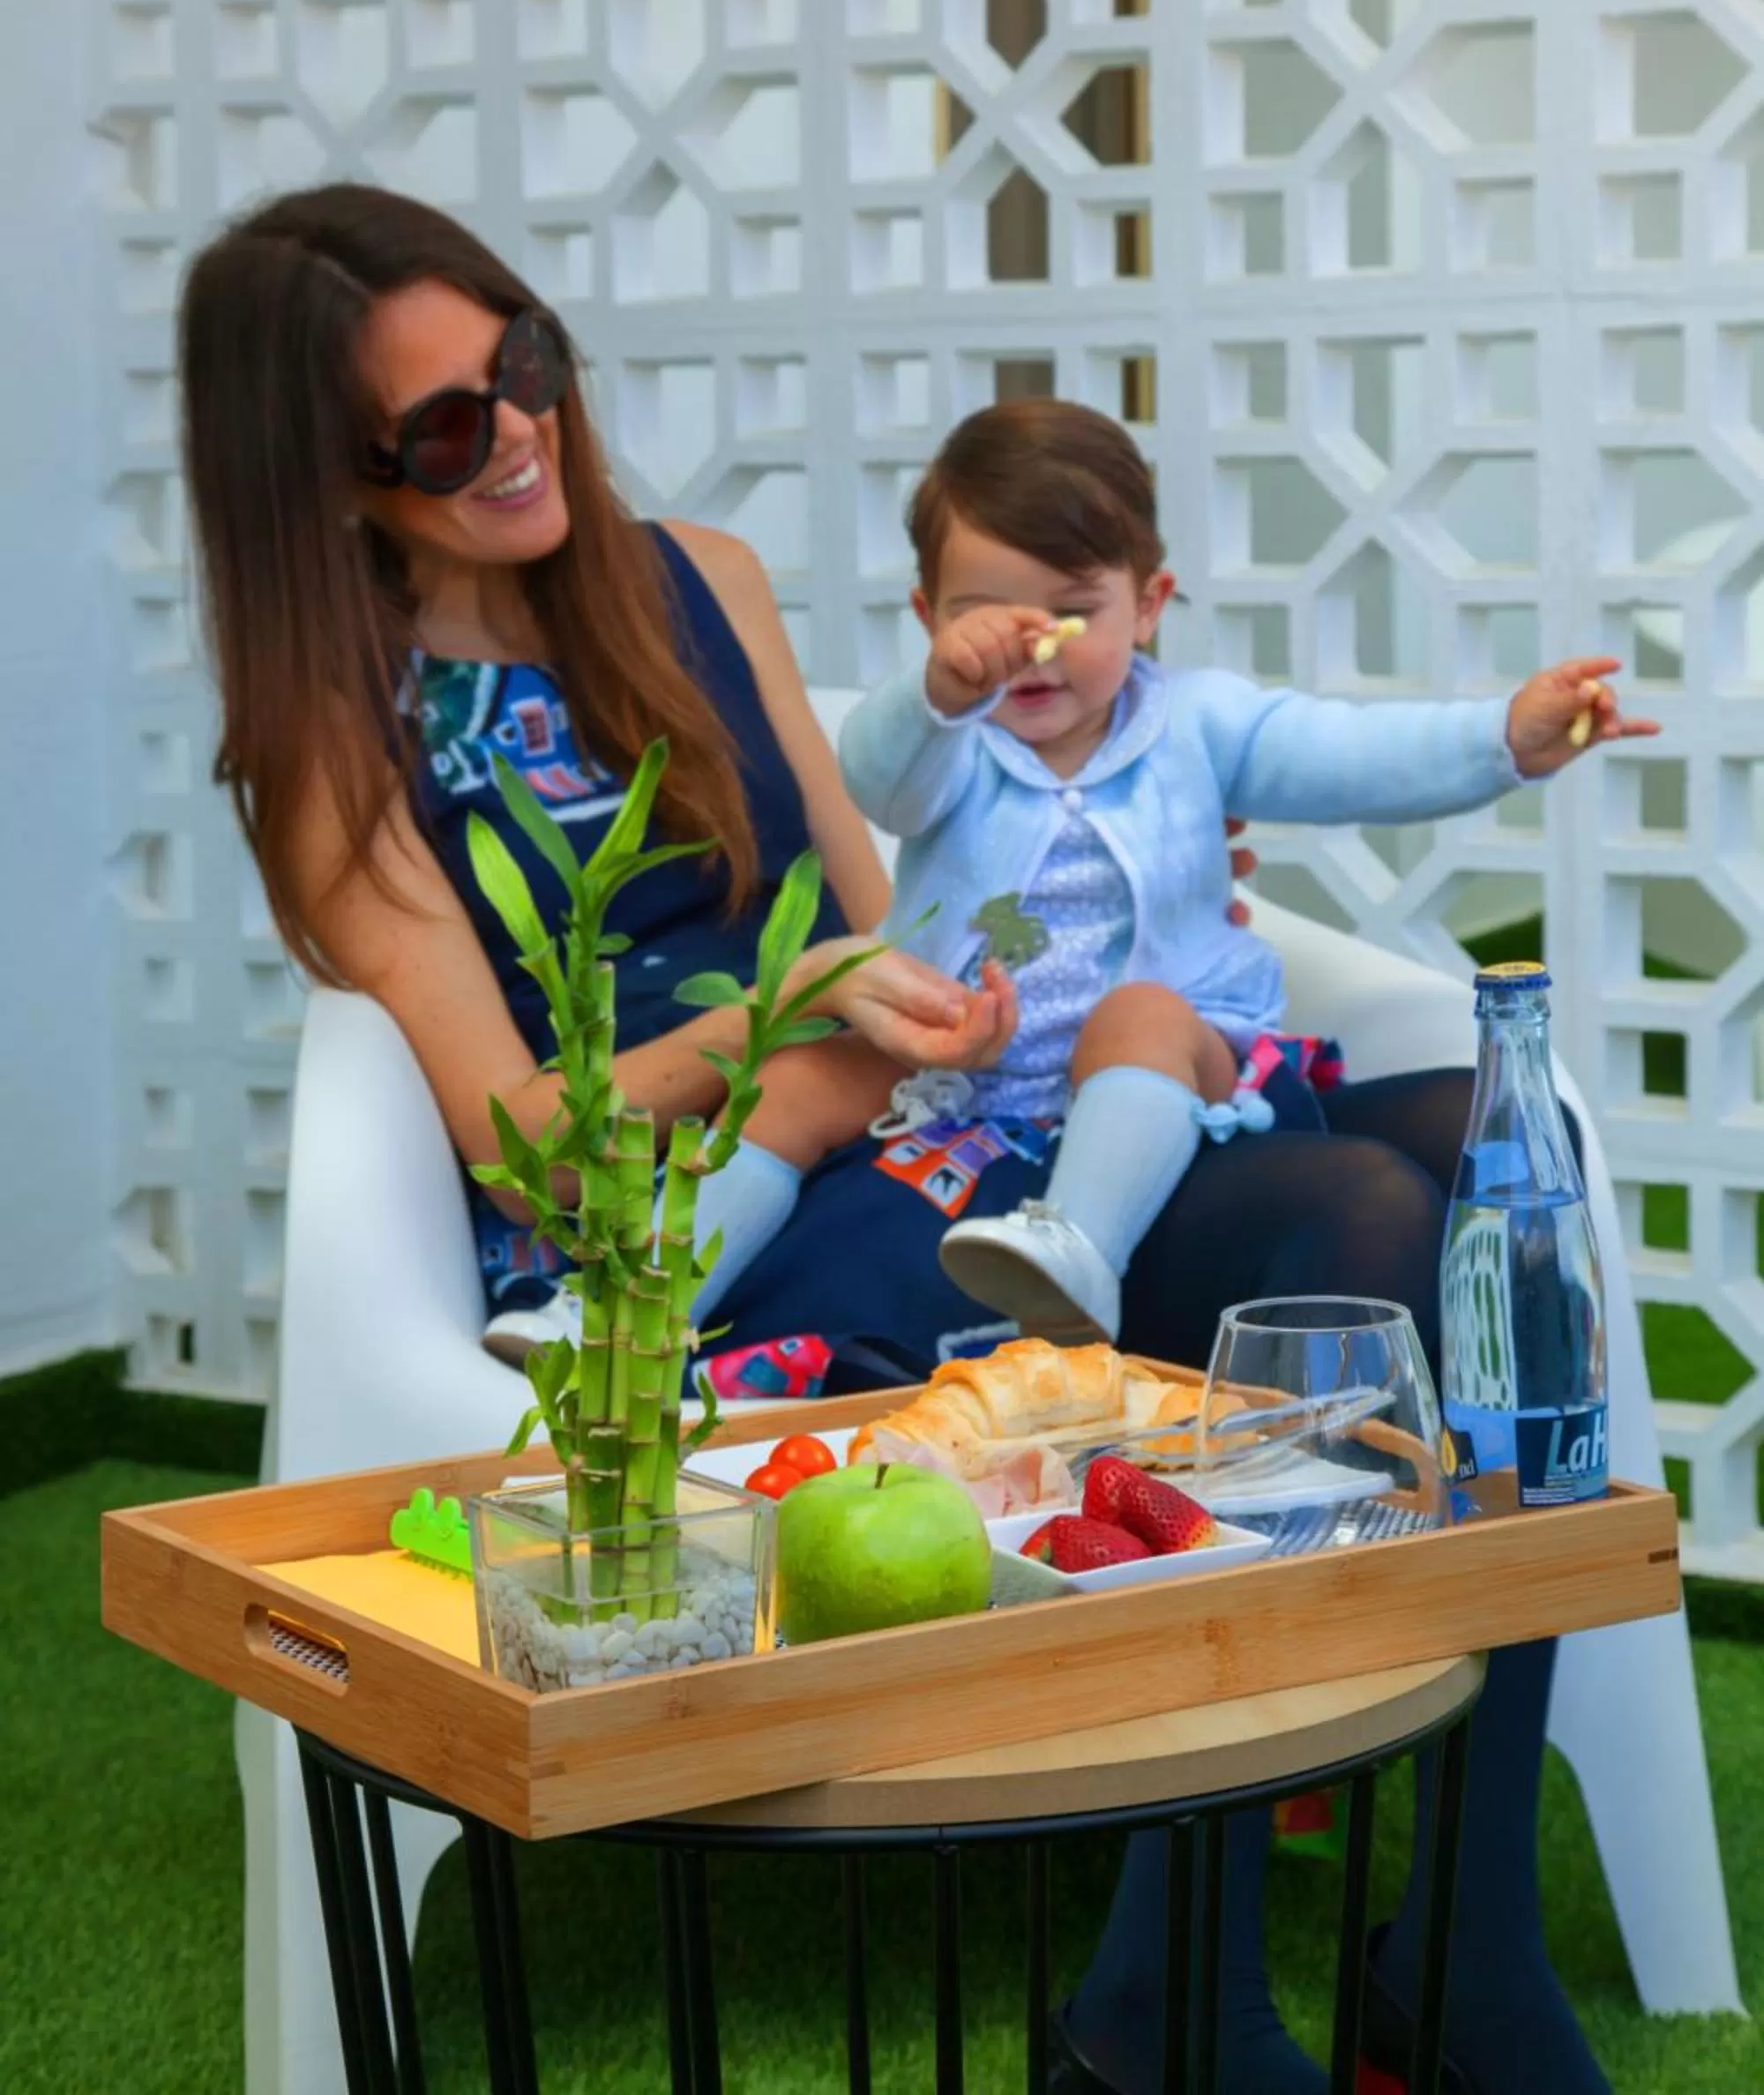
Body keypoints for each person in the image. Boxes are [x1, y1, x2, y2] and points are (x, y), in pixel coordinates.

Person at [178, 183, 1614, 2095]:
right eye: (445, 424)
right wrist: (777, 1021)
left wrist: (1062, 934)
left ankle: (1454, 1941)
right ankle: (1185, 1997)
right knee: (1367, 1201)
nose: (519, 430)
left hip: (941, 1143)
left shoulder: (695, 575)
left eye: (521, 362)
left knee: (1495, 1170)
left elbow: (888, 896)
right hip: (688, 1233)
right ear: (328, 476)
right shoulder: (335, 740)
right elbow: (519, 1144)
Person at [691, 399, 1652, 1344]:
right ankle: (640, 1303)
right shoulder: (947, 748)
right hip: (966, 1071)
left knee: (1142, 1009)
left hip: (1166, 1069)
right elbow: (875, 774)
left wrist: (1501, 739)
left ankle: (1072, 1250)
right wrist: (939, 690)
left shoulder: (1196, 724)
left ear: (1146, 603)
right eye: (981, 619)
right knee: (795, 1078)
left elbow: (1346, 751)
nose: (1026, 652)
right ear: (927, 616)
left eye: (1069, 614)